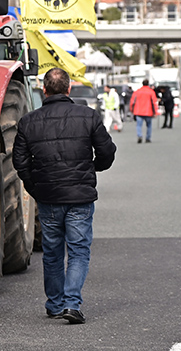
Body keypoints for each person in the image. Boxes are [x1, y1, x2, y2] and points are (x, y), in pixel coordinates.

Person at [12, 67, 117, 324]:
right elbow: (107, 151)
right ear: (68, 89)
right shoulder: (88, 116)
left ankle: (55, 304)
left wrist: (34, 186)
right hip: (80, 195)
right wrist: (93, 168)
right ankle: (72, 304)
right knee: (79, 250)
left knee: (52, 252)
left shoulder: (28, 121)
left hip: (48, 196)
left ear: (44, 90)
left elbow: (20, 162)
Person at [129, 79, 159, 143]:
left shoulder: (137, 92)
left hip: (138, 111)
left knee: (138, 125)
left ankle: (139, 135)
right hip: (148, 111)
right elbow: (154, 102)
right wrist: (156, 112)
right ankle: (148, 138)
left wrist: (132, 109)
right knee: (149, 125)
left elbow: (132, 101)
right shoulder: (151, 92)